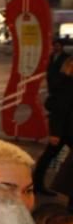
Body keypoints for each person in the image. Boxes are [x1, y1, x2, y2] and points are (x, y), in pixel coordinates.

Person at [34, 57, 73, 195]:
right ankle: (38, 183)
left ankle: (37, 183)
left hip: (67, 128)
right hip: (63, 129)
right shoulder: (65, 83)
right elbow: (59, 109)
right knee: (48, 156)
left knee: (48, 156)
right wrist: (55, 132)